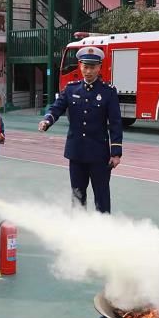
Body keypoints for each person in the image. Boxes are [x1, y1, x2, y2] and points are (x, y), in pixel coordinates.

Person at [38, 47, 123, 213]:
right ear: (80, 66)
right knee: (77, 194)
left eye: (92, 67)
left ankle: (104, 230)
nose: (88, 71)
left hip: (99, 154)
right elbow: (57, 108)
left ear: (99, 67)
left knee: (102, 195)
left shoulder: (108, 92)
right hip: (76, 152)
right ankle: (78, 229)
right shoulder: (71, 89)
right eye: (85, 66)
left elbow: (115, 123)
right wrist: (47, 120)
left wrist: (116, 153)